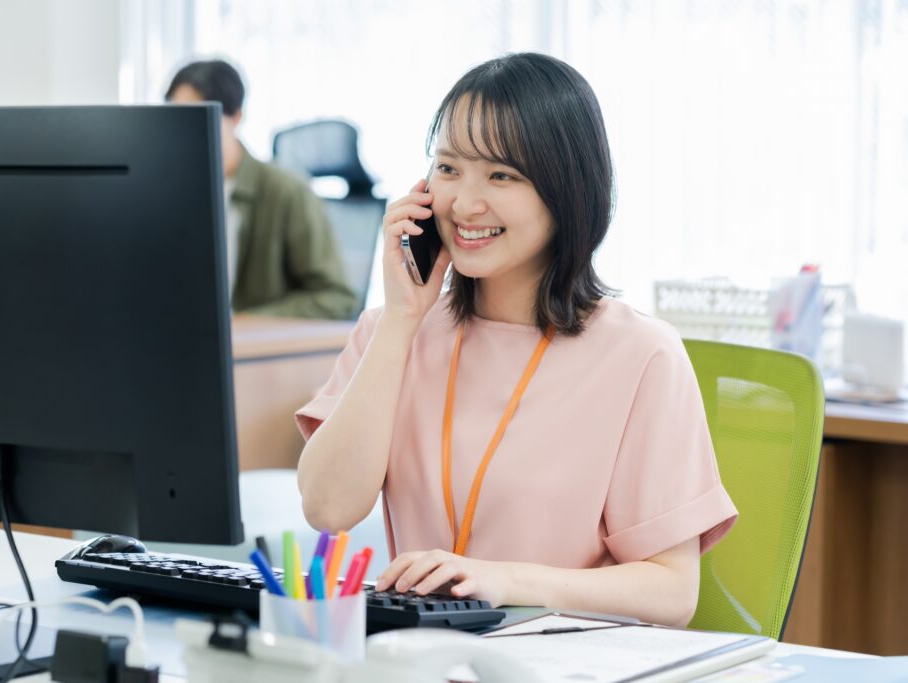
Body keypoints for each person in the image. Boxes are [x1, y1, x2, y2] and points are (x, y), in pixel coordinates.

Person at [294, 53, 737, 626]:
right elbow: (328, 508)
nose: (464, 203)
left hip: (565, 662)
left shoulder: (641, 355)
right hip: (423, 657)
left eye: (501, 175)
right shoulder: (392, 332)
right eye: (449, 169)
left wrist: (505, 580)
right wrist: (402, 322)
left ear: (566, 192)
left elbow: (673, 593)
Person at [166, 59, 358, 319]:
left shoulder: (286, 191)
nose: (182, 134)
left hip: (256, 351)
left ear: (236, 117)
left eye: (196, 119)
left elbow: (337, 298)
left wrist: (246, 321)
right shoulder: (171, 191)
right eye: (175, 120)